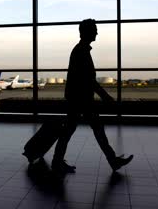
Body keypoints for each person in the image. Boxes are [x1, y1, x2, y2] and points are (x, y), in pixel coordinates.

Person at [51, 19, 133, 173]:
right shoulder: (81, 51)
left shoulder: (80, 50)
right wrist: (106, 97)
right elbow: (89, 81)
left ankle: (57, 162)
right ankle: (112, 160)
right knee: (92, 129)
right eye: (94, 29)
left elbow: (87, 80)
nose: (97, 32)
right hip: (81, 100)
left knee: (73, 130)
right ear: (87, 32)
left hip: (78, 99)